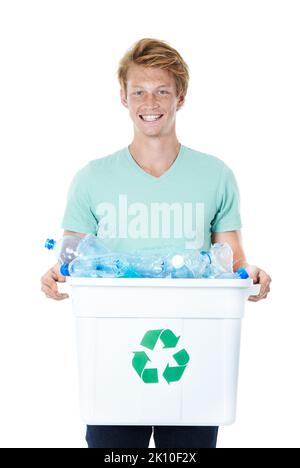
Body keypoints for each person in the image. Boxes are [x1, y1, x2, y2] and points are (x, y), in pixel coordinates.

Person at [41, 38, 272, 448]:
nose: (150, 102)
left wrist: (248, 274)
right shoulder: (92, 178)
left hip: (195, 355)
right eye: (139, 91)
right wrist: (57, 272)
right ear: (123, 98)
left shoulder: (215, 175)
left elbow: (231, 260)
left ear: (180, 97)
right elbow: (72, 258)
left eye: (162, 90)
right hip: (111, 358)